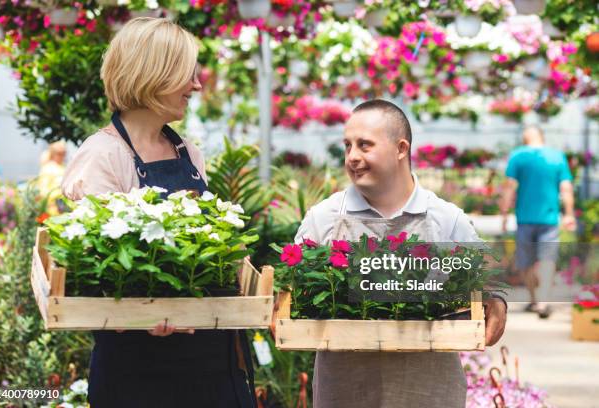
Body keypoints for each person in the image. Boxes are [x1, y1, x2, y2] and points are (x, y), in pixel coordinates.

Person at [61, 18, 256, 407]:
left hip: (211, 361)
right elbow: (93, 271)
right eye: (188, 73)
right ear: (153, 74)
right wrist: (144, 311)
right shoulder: (103, 156)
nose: (198, 85)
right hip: (141, 369)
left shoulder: (187, 151)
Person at [293, 99, 507, 408]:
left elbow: (487, 277)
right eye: (348, 146)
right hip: (345, 390)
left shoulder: (446, 220)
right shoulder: (324, 218)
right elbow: (289, 288)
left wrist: (496, 300)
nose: (353, 157)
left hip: (428, 389)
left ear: (401, 148)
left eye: (365, 145)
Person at [500, 125, 575, 318]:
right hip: (549, 219)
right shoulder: (557, 156)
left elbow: (509, 187)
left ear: (525, 138)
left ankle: (533, 299)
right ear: (542, 137)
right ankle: (543, 303)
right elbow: (566, 187)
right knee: (548, 260)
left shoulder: (518, 156)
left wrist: (504, 214)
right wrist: (569, 214)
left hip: (525, 219)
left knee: (525, 261)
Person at [37, 141, 67, 214]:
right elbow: (43, 190)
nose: (62, 156)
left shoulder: (64, 166)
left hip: (64, 203)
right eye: (59, 154)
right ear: (53, 154)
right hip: (53, 206)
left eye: (64, 153)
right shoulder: (47, 168)